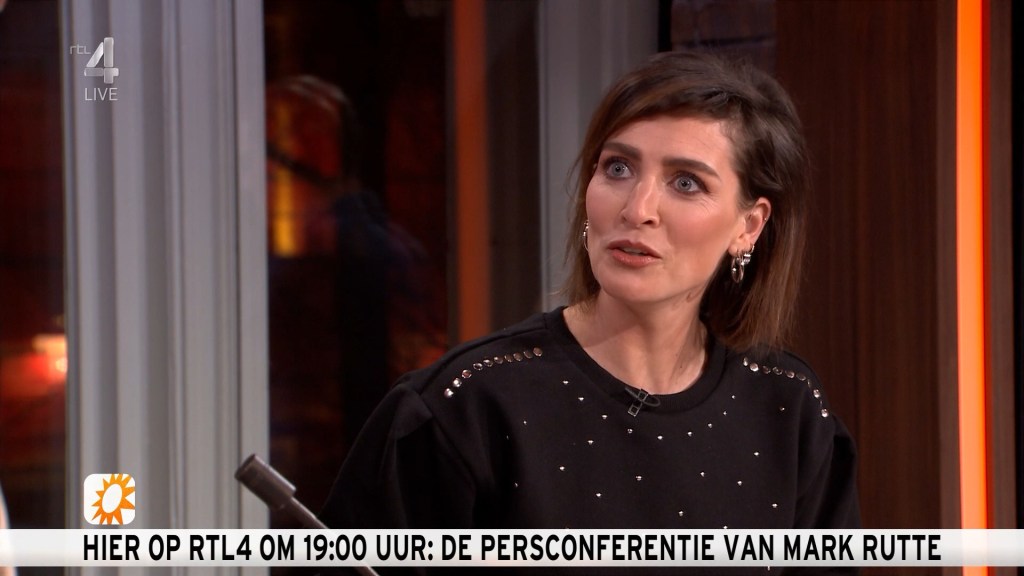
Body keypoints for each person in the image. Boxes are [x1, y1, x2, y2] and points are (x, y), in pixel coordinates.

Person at [320, 50, 860, 574]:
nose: (637, 209)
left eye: (686, 182)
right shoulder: (461, 408)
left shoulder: (789, 408)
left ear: (749, 226)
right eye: (618, 168)